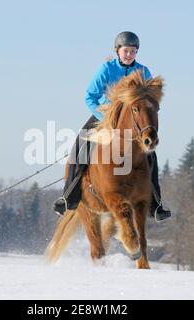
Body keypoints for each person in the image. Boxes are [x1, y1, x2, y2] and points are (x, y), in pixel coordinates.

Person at [53, 31, 171, 221]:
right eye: (126, 51)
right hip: (104, 116)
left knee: (150, 155)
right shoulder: (106, 69)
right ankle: (68, 196)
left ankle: (156, 205)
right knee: (80, 143)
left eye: (133, 51)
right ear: (118, 50)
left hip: (132, 122)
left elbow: (149, 99)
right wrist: (105, 117)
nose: (129, 55)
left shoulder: (143, 71)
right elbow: (90, 96)